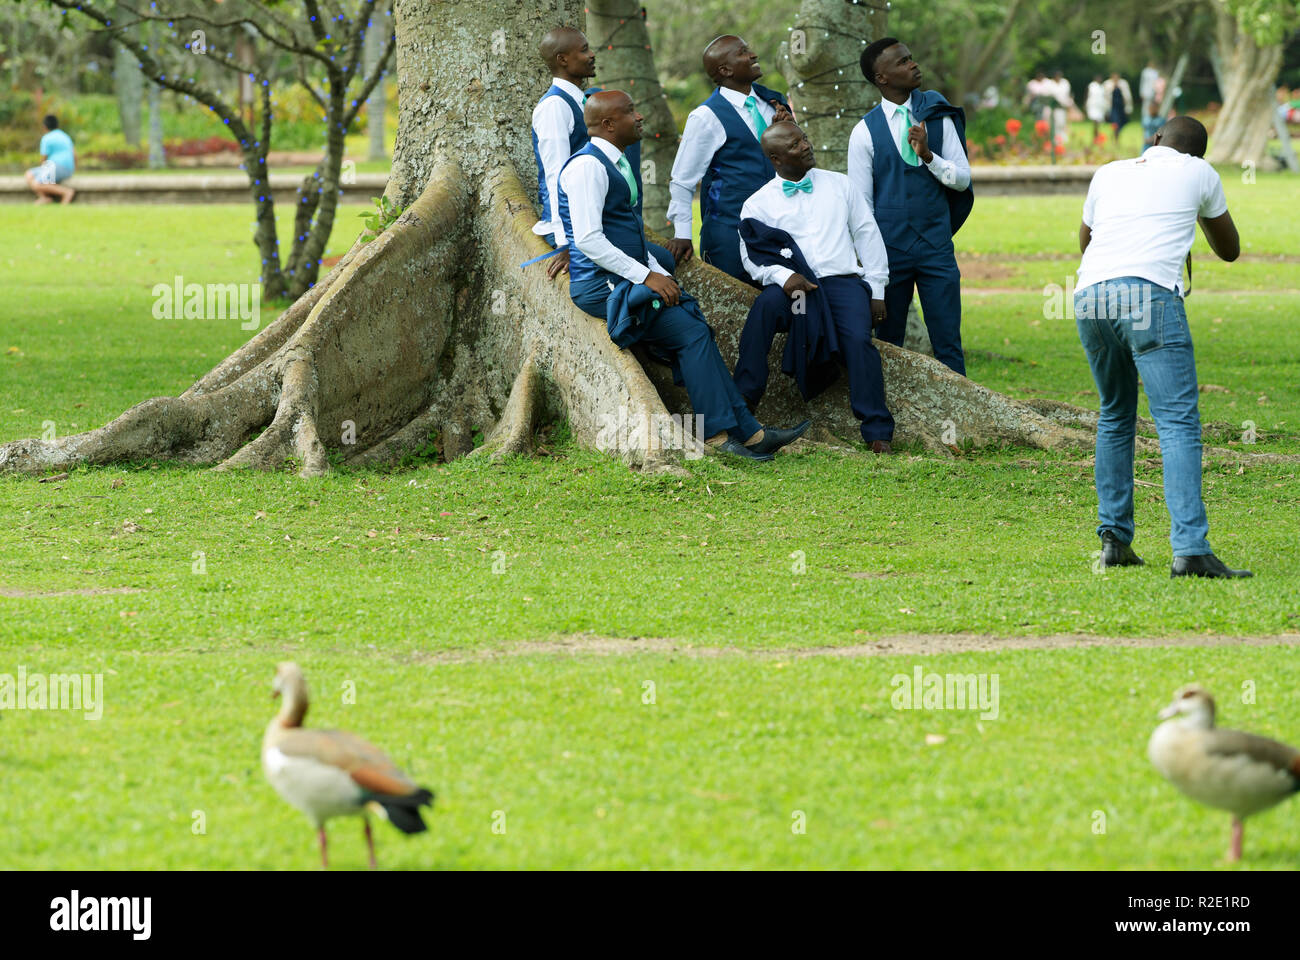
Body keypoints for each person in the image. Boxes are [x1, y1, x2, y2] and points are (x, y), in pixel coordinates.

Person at [558, 91, 809, 462]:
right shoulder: (586, 168)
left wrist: (657, 271)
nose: (640, 116)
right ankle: (719, 435)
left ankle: (749, 433)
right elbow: (590, 240)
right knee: (690, 332)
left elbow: (626, 233)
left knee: (694, 328)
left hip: (628, 275)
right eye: (630, 112)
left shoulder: (617, 160)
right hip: (600, 285)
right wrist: (647, 277)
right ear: (608, 125)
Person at [1073, 116, 1249, 578]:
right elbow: (1229, 249)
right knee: (1176, 423)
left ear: (1154, 141)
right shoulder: (1199, 172)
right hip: (1149, 296)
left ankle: (1114, 540)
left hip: (1090, 294)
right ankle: (1190, 548)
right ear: (1197, 154)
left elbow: (1086, 239)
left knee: (1114, 414)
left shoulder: (1109, 171)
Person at [734, 122, 895, 454]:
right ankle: (741, 410)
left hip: (841, 285)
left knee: (858, 340)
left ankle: (877, 430)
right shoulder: (758, 203)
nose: (806, 145)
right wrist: (781, 277)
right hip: (798, 294)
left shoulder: (840, 185)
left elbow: (867, 234)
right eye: (795, 145)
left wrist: (877, 288)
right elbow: (750, 257)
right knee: (764, 311)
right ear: (776, 158)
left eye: (804, 138)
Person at [848, 37, 973, 375]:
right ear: (881, 79)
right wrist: (870, 265)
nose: (913, 65)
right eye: (902, 62)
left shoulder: (937, 116)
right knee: (887, 341)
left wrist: (930, 157)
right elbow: (861, 207)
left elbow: (962, 179)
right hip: (889, 253)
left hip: (936, 247)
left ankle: (960, 416)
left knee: (948, 340)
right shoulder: (863, 132)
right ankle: (890, 414)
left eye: (911, 58)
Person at [530, 26, 673, 281]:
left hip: (602, 218)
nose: (592, 54)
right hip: (573, 227)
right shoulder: (554, 107)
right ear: (562, 59)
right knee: (660, 263)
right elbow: (555, 175)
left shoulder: (586, 100)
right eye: (584, 50)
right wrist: (565, 245)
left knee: (664, 260)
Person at [665, 35, 792, 282]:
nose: (753, 55)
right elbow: (682, 181)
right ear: (725, 70)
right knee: (735, 313)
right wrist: (682, 233)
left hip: (781, 229)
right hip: (730, 236)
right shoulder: (705, 117)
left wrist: (786, 133)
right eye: (743, 52)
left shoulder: (775, 103)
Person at [25, 115, 76, 205]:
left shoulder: (46, 138)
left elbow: (43, 160)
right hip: (67, 169)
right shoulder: (65, 136)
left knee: (37, 183)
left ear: (44, 126)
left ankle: (66, 192)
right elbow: (75, 155)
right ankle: (44, 198)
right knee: (29, 174)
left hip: (56, 166)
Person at [1104, 72, 1133, 144]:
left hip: (1121, 107)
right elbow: (1105, 96)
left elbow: (1127, 96)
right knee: (1115, 123)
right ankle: (1115, 138)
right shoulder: (1108, 84)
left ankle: (1116, 136)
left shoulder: (1123, 84)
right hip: (1113, 108)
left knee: (1121, 123)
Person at [1049, 70, 1075, 146]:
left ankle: (1061, 140)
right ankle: (1055, 140)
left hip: (1062, 107)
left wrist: (1069, 105)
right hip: (1053, 108)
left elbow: (1068, 94)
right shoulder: (1050, 84)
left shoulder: (1065, 83)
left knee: (1062, 124)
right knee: (1054, 124)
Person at [1085, 75, 1108, 141]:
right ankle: (1095, 135)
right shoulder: (1092, 86)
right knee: (1095, 120)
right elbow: (1087, 95)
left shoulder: (1102, 87)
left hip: (1100, 106)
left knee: (1098, 122)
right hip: (1093, 105)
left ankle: (1096, 135)